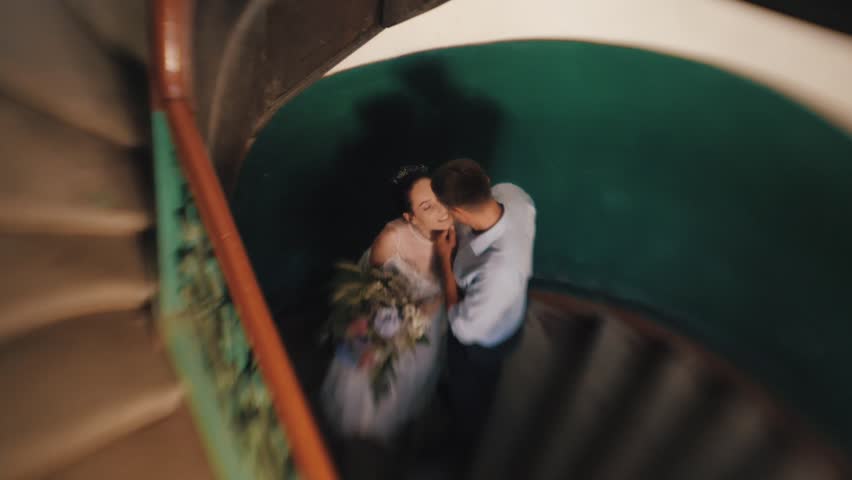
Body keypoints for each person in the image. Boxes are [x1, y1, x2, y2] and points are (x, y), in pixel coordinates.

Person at [321, 164, 452, 443]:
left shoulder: (459, 230)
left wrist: (432, 305)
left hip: (427, 324)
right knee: (375, 376)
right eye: (428, 206)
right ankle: (362, 431)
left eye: (441, 197)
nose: (442, 210)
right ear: (410, 217)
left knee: (413, 373)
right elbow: (368, 288)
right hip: (385, 322)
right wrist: (384, 326)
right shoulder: (392, 238)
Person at [432, 158, 536, 471]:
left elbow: (464, 327)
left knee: (471, 402)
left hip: (483, 340)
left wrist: (445, 263)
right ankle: (462, 400)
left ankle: (461, 456)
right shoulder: (512, 195)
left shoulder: (497, 271)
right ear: (488, 182)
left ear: (458, 213)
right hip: (505, 312)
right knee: (475, 387)